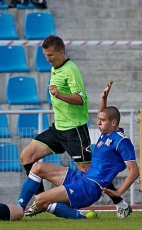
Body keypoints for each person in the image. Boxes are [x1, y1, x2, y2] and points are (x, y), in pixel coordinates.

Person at [21, 35, 130, 218]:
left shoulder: (71, 70)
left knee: (89, 174)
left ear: (62, 52)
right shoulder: (55, 68)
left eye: (51, 55)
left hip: (75, 131)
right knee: (27, 157)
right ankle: (41, 201)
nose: (48, 58)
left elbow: (81, 100)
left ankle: (120, 203)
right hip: (58, 129)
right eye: (46, 55)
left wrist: (59, 94)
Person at [16, 79, 139, 220]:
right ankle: (18, 209)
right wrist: (104, 99)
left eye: (102, 121)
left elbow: (134, 171)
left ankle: (82, 216)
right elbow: (103, 113)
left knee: (40, 200)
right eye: (98, 119)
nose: (98, 123)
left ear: (113, 122)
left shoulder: (122, 141)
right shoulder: (106, 133)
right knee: (37, 167)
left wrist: (119, 192)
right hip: (82, 178)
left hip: (90, 188)